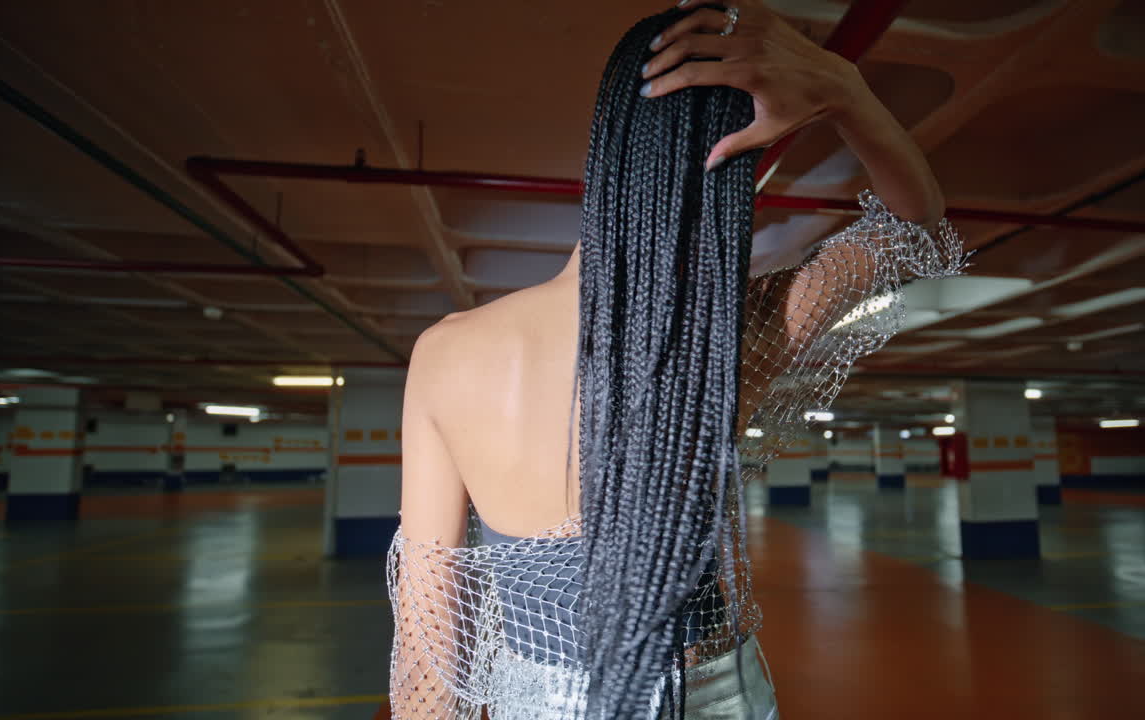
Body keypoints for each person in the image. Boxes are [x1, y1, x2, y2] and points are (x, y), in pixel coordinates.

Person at [388, 2, 965, 718]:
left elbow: (426, 651)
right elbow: (914, 227)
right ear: (734, 181)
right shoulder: (731, 334)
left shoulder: (446, 354)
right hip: (717, 695)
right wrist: (846, 89)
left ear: (608, 148)